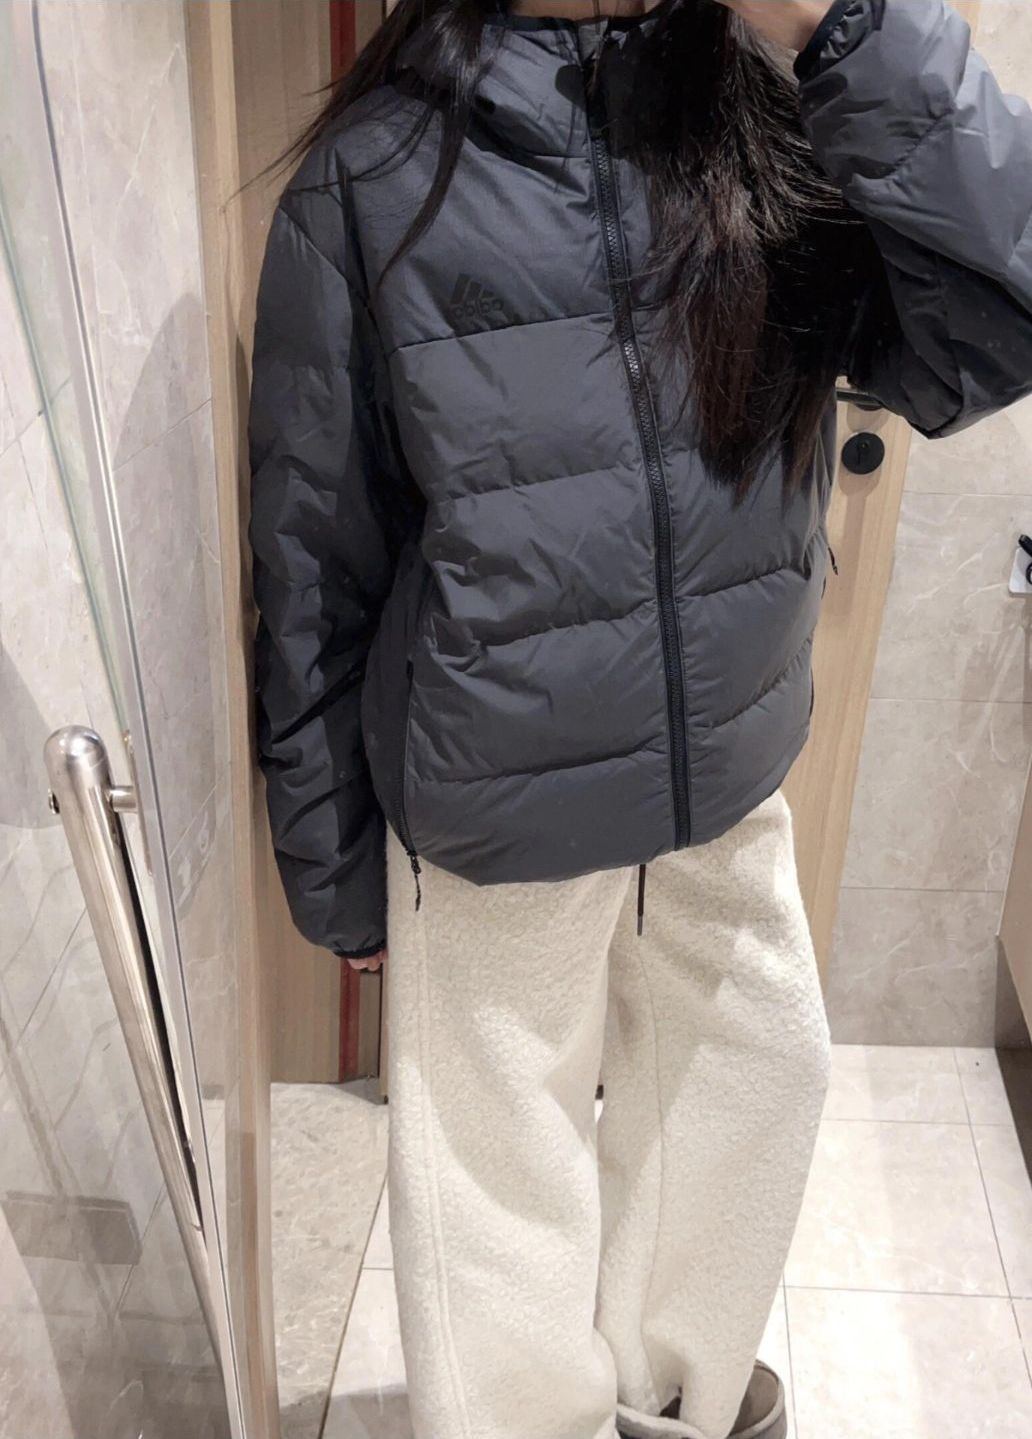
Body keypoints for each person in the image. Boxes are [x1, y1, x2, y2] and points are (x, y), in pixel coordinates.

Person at [248, 2, 1032, 1436]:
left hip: (725, 773)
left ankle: (679, 1408)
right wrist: (332, 859)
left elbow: (998, 325)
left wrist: (846, 29)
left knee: (757, 1084)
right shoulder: (373, 176)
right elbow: (316, 555)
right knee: (496, 1201)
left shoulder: (762, 115)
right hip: (495, 799)